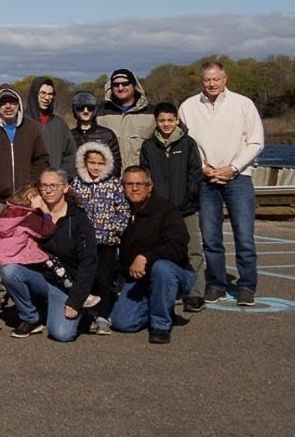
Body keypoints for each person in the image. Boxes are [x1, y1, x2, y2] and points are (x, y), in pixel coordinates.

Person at [178, 61, 265, 306]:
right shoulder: (188, 107)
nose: (212, 84)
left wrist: (233, 168)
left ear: (225, 79)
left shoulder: (243, 104)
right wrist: (204, 168)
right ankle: (216, 284)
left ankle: (247, 286)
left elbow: (256, 142)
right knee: (211, 238)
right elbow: (187, 144)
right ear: (201, 81)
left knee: (244, 236)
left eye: (216, 79)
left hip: (238, 178)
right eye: (207, 80)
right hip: (206, 180)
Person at [0, 170, 98, 342]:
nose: (48, 190)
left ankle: (82, 312)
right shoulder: (33, 215)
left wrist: (75, 300)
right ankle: (31, 317)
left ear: (65, 188)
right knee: (10, 271)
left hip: (68, 284)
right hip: (42, 278)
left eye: (53, 185)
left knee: (62, 334)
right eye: (44, 185)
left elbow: (89, 263)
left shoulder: (79, 220)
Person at [111, 166, 195, 344]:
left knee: (161, 268)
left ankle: (161, 325)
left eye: (140, 184)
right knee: (122, 323)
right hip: (139, 278)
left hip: (175, 272)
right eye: (129, 184)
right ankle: (159, 304)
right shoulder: (120, 211)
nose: (135, 188)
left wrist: (145, 257)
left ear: (150, 187)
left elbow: (178, 247)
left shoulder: (165, 210)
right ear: (122, 186)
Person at [141, 101, 207, 311]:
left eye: (170, 120)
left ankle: (195, 295)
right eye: (162, 120)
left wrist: (189, 198)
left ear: (177, 120)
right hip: (159, 211)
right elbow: (145, 177)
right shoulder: (149, 146)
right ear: (156, 121)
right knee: (158, 251)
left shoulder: (187, 144)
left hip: (186, 209)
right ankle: (161, 292)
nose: (166, 124)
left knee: (193, 251)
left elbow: (195, 174)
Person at [0, 85, 51, 227]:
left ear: (18, 105)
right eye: (3, 102)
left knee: (24, 243)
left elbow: (42, 158)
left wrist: (30, 182)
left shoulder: (30, 128)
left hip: (26, 200)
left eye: (12, 102)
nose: (8, 106)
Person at [71, 142, 131, 335]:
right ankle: (87, 313)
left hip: (107, 242)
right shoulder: (77, 184)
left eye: (100, 163)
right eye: (92, 163)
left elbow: (123, 212)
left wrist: (114, 231)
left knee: (105, 277)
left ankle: (103, 315)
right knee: (87, 277)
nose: (95, 167)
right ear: (84, 162)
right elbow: (71, 211)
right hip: (84, 243)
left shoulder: (113, 184)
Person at [96, 68, 156, 168]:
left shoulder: (153, 113)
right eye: (116, 84)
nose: (120, 88)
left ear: (134, 86)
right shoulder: (99, 113)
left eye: (125, 83)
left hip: (140, 179)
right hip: (109, 178)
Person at [26, 77, 76, 175]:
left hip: (55, 183)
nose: (47, 98)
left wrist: (62, 175)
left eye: (50, 94)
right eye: (43, 93)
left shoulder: (59, 124)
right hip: (29, 183)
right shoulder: (22, 121)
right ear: (34, 94)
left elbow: (70, 154)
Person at [69, 90, 122, 169]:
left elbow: (116, 164)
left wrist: (104, 180)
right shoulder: (69, 135)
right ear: (74, 109)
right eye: (80, 107)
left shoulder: (107, 134)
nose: (86, 111)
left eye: (90, 107)